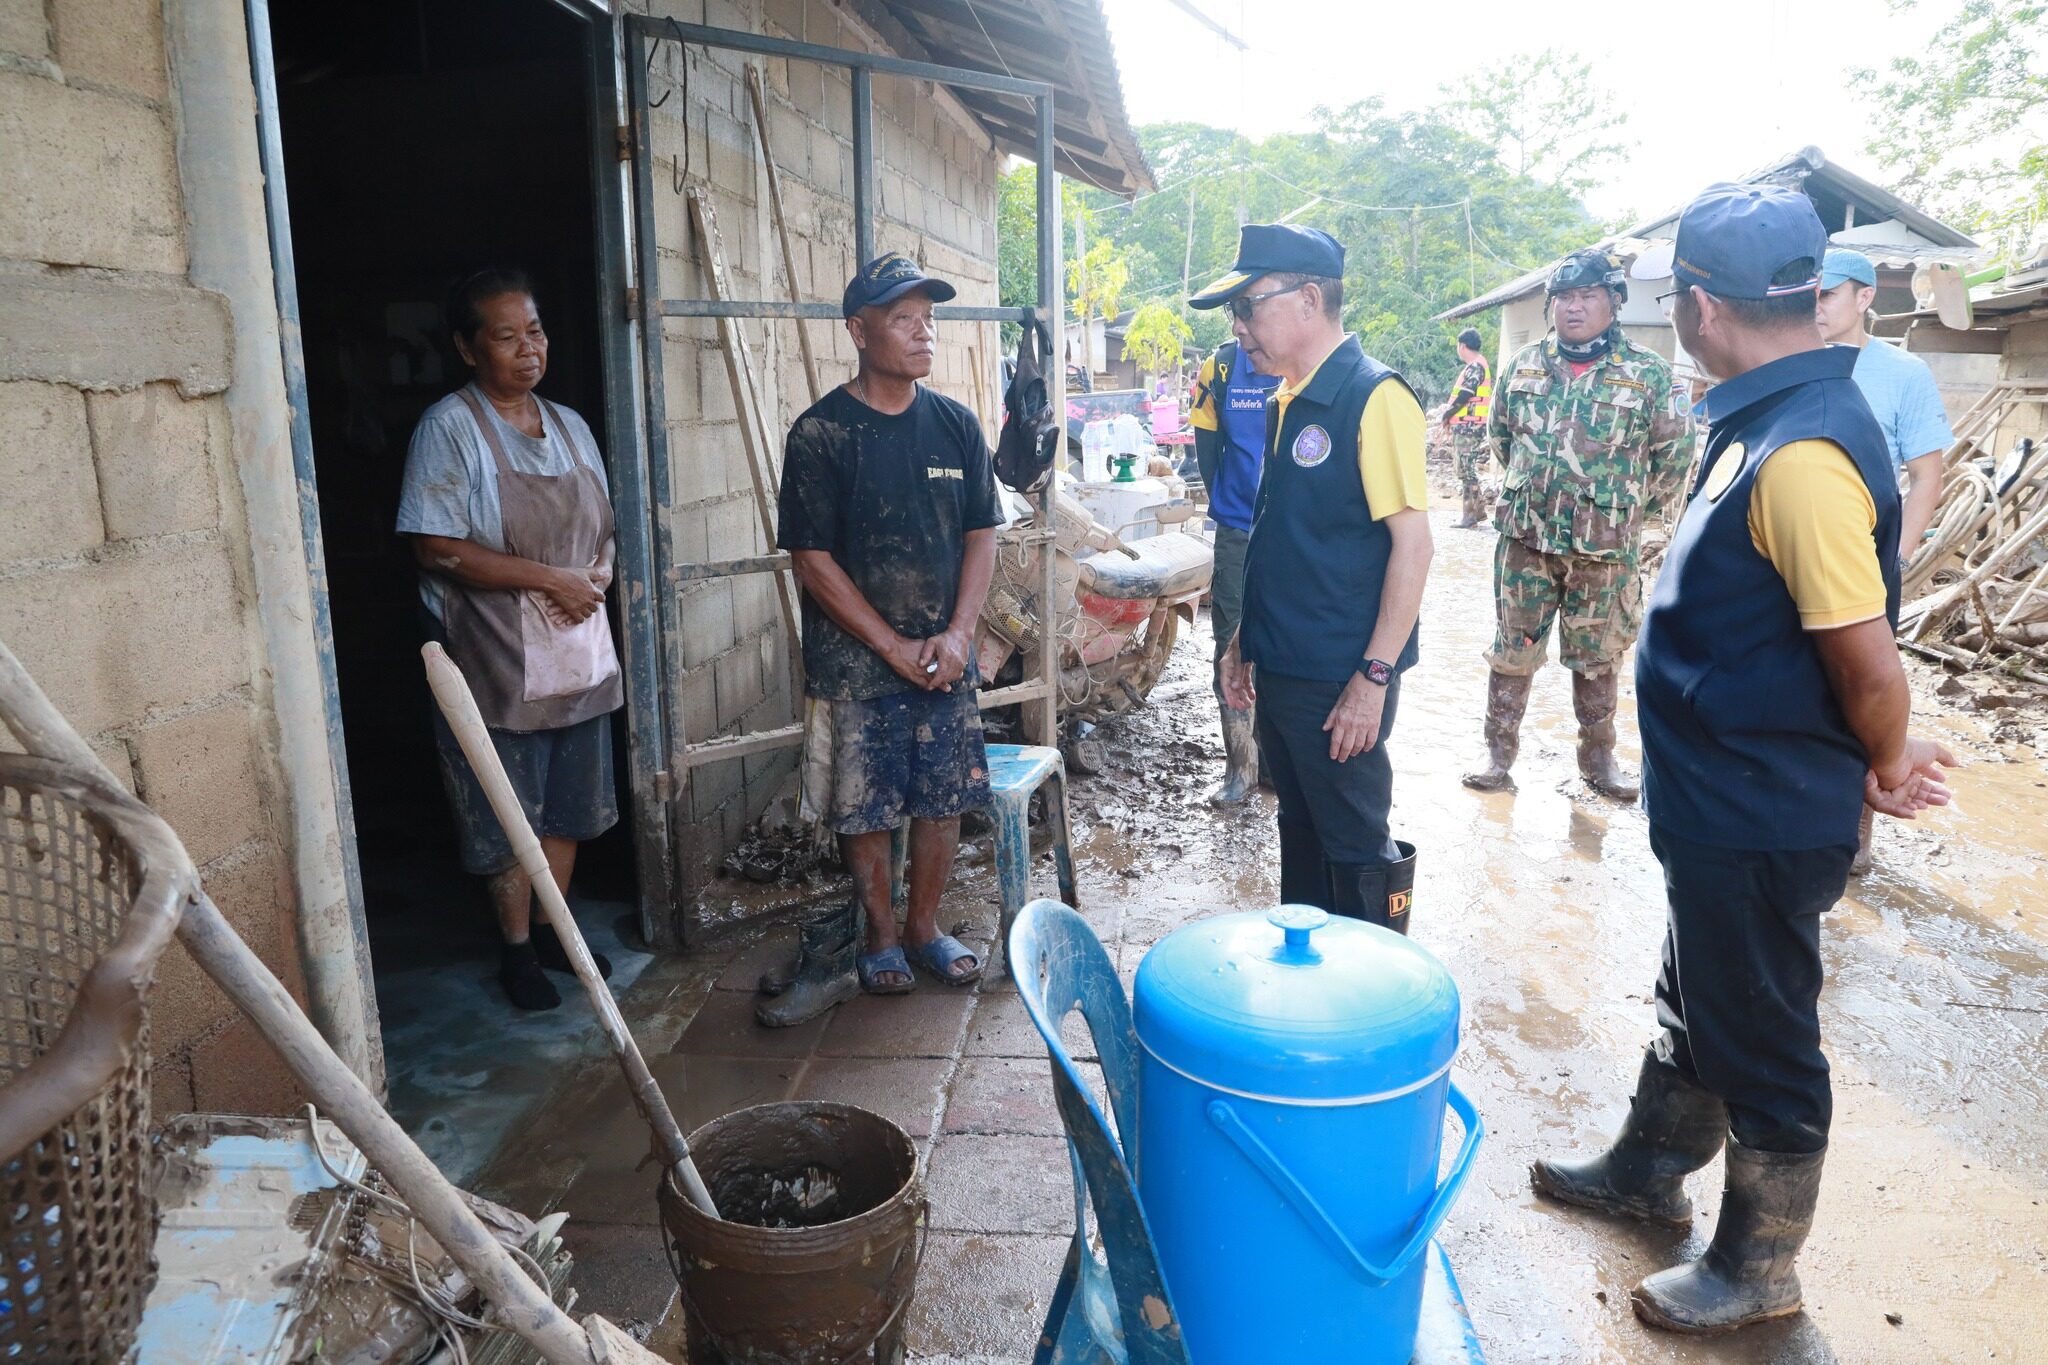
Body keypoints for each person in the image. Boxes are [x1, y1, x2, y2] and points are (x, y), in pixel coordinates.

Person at [1530, 183, 1955, 1334]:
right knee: (1697, 992)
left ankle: (1759, 1266)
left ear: (1701, 306)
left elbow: (1863, 661)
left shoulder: (1804, 450)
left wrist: (1883, 758)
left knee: (1760, 1030)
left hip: (1763, 808)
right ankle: (1648, 1165)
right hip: (1716, 798)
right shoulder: (1757, 415)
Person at [758, 252, 1002, 1027]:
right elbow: (812, 560)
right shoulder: (823, 432)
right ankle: (881, 932)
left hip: (944, 654)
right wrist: (891, 646)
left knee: (942, 795)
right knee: (863, 805)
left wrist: (960, 633)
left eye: (928, 316)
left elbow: (981, 534)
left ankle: (926, 925)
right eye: (903, 318)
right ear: (859, 331)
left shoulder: (956, 424)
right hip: (857, 660)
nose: (923, 331)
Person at [398, 269, 623, 1012]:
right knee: (507, 813)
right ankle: (518, 947)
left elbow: (605, 527)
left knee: (567, 805)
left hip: (577, 647)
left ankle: (558, 929)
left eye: (536, 331)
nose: (529, 349)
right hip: (493, 651)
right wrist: (550, 580)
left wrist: (594, 572)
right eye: (506, 335)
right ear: (467, 347)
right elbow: (436, 548)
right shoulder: (449, 427)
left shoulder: (569, 424)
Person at [1202, 224, 1433, 931]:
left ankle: (1373, 1005)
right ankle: (1310, 1003)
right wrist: (1245, 638)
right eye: (1234, 314)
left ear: (1309, 298)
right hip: (1287, 671)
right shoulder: (1287, 399)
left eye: (1248, 306)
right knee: (1300, 840)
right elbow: (1286, 533)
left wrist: (1373, 676)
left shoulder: (1373, 397)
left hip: (1341, 682)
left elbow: (1414, 548)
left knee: (1356, 848)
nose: (1239, 328)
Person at [1462, 249, 1695, 801]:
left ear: (1614, 302)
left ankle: (1598, 759)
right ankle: (1497, 752)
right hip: (1526, 541)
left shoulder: (1648, 374)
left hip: (1606, 551)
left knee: (1598, 657)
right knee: (1511, 649)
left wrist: (1622, 513)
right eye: (1564, 297)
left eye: (1588, 296)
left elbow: (1674, 458)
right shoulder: (1522, 366)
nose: (1574, 308)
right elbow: (1501, 440)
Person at [1814, 246, 1957, 875]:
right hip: (1796, 558)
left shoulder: (1902, 374)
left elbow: (1928, 473)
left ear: (1864, 297)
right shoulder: (1789, 361)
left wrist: (1897, 555)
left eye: (1826, 294)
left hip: (1867, 563)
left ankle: (1857, 833)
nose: (1814, 306)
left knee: (1865, 690)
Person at [1188, 321, 1279, 805]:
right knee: (1231, 640)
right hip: (1238, 531)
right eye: (1238, 312)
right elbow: (1207, 451)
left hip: (1295, 532)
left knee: (1287, 644)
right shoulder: (1221, 367)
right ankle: (1241, 768)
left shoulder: (1300, 361)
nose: (1245, 325)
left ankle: (1275, 765)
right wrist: (1231, 507)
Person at [1441, 327, 1494, 528]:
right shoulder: (1478, 365)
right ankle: (1477, 512)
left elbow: (1465, 395)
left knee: (1466, 469)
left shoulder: (1475, 367)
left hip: (1469, 426)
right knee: (1465, 468)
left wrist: (1447, 414)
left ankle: (1470, 515)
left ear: (1462, 346)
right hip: (1468, 424)